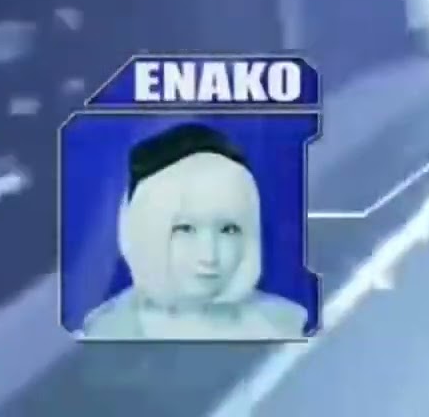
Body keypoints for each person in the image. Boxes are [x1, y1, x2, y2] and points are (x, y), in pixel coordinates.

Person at [79, 123, 309, 341]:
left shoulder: (285, 325)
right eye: (185, 229)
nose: (209, 256)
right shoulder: (105, 332)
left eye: (228, 230)